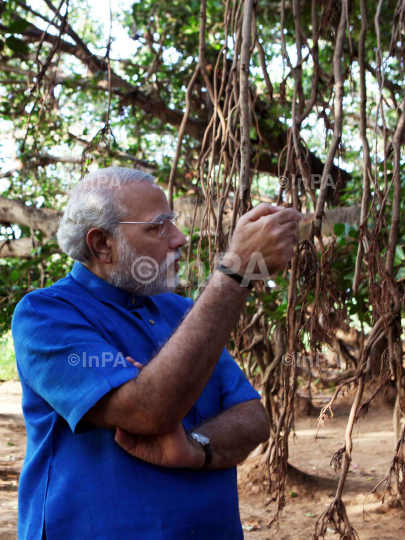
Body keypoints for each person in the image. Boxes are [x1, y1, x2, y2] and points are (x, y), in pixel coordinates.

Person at [11, 167, 302, 540]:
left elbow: (253, 418)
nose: (180, 239)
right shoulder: (45, 314)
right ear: (102, 243)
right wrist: (236, 273)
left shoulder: (182, 312)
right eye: (159, 226)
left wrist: (195, 448)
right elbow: (147, 411)